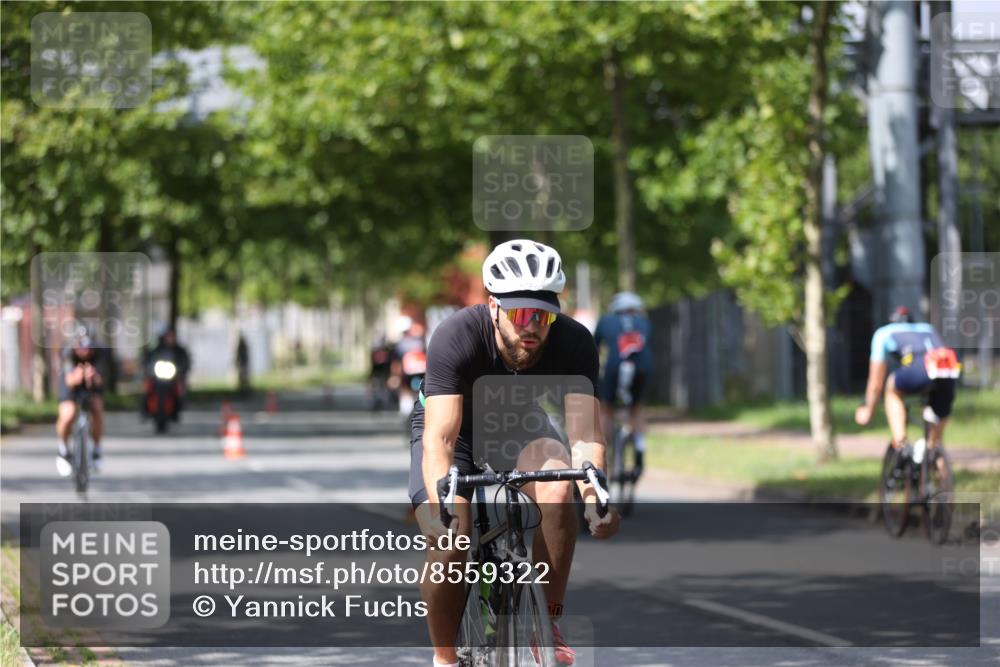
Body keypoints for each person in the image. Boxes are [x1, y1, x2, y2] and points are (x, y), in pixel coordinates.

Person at [410, 239, 619, 667]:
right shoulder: (456, 336)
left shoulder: (574, 342)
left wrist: (597, 495)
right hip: (457, 431)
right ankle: (445, 658)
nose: (532, 326)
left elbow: (585, 435)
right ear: (493, 307)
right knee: (451, 541)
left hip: (520, 426)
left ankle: (548, 623)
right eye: (521, 313)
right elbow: (441, 440)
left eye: (543, 315)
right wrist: (441, 504)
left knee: (559, 491)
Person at [854, 305, 960, 457]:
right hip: (947, 369)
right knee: (935, 446)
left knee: (891, 387)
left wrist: (868, 409)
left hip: (920, 367)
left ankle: (901, 442)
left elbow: (876, 383)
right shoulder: (928, 328)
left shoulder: (883, 333)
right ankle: (939, 469)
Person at [593, 291, 653, 479]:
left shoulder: (606, 320)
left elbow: (594, 348)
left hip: (614, 367)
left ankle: (604, 452)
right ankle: (639, 451)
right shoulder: (645, 323)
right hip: (642, 368)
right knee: (636, 408)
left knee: (606, 409)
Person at [56, 328, 106, 476]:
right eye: (81, 348)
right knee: (68, 414)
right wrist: (77, 377)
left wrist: (93, 376)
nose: (85, 351)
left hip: (92, 385)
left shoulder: (100, 353)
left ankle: (96, 450)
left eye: (88, 348)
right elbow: (69, 381)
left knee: (96, 407)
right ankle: (63, 450)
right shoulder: (67, 353)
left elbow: (100, 381)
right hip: (71, 384)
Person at [144, 328, 191, 412]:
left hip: (174, 376)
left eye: (171, 336)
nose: (170, 339)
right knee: (147, 387)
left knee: (180, 388)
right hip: (158, 375)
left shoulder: (179, 350)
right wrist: (148, 367)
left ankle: (179, 406)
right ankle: (144, 409)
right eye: (168, 336)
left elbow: (185, 362)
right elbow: (148, 360)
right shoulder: (157, 349)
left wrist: (182, 369)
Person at [391, 318, 427, 416]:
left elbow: (396, 364)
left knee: (404, 391)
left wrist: (395, 377)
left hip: (406, 375)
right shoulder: (420, 342)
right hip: (422, 374)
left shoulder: (400, 345)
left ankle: (406, 412)